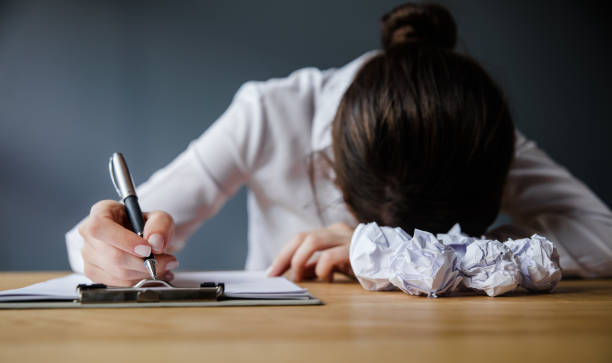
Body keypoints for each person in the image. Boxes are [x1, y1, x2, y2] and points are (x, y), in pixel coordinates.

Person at [66, 3, 612, 287]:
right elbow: (99, 241)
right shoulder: (271, 113)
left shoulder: (472, 131)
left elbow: (603, 235)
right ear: (331, 159)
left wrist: (416, 251)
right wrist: (112, 250)